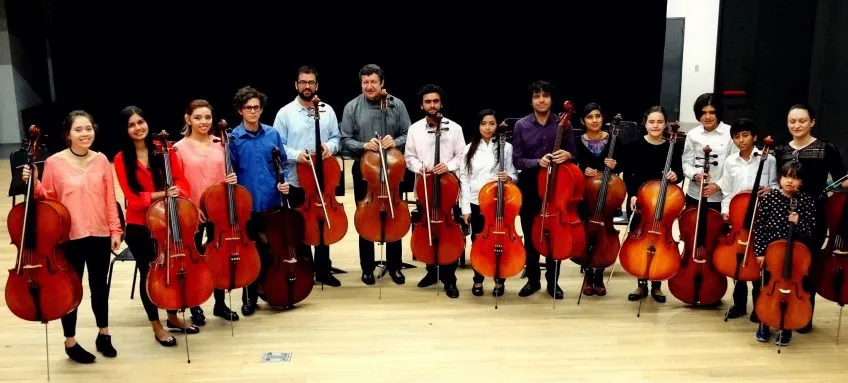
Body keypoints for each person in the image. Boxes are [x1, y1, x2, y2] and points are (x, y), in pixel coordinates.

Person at [21, 111, 121, 363]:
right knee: (70, 290)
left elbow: (111, 199)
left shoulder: (101, 160)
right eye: (78, 130)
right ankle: (70, 341)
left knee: (100, 287)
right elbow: (48, 197)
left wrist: (115, 230)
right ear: (68, 135)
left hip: (99, 232)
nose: (85, 133)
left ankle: (104, 334)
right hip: (68, 236)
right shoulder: (54, 162)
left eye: (88, 128)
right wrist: (33, 181)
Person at [113, 105, 198, 347]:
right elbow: (133, 196)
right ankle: (156, 325)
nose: (138, 128)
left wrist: (177, 191)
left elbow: (182, 181)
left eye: (140, 122)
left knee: (172, 267)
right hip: (140, 226)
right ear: (125, 130)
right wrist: (162, 193)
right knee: (149, 274)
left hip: (170, 219)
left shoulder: (166, 149)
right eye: (131, 125)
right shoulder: (121, 158)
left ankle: (172, 316)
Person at [771, 103, 848, 333]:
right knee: (783, 260)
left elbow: (841, 179)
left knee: (808, 262)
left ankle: (804, 313)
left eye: (802, 121)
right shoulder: (781, 149)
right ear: (787, 124)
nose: (797, 125)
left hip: (815, 212)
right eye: (792, 121)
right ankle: (778, 309)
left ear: (812, 122)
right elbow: (777, 180)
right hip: (784, 210)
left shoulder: (826, 148)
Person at [340, 63, 411, 286]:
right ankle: (367, 267)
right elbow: (344, 140)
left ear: (382, 84)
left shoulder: (396, 105)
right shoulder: (352, 107)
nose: (369, 86)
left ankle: (394, 266)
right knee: (366, 215)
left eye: (373, 82)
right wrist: (363, 145)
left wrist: (396, 141)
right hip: (365, 171)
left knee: (393, 213)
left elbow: (409, 134)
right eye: (365, 82)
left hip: (392, 169)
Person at [273, 65, 342, 287]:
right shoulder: (285, 113)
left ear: (316, 86)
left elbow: (336, 137)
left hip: (322, 179)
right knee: (302, 226)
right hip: (297, 178)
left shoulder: (327, 110)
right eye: (303, 82)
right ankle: (305, 269)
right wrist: (297, 155)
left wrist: (328, 147)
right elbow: (278, 145)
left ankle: (324, 270)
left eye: (311, 82)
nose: (307, 86)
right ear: (296, 85)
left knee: (322, 222)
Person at [173, 99, 240, 321]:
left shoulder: (220, 143)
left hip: (219, 210)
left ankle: (220, 304)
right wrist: (191, 206)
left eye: (207, 117)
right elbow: (178, 183)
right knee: (196, 260)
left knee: (218, 258)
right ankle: (195, 306)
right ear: (188, 119)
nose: (204, 122)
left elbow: (223, 175)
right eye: (198, 117)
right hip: (193, 212)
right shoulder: (178, 148)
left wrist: (231, 178)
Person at [229, 86, 291, 316]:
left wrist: (283, 182)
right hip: (247, 206)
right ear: (240, 110)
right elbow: (231, 171)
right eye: (248, 108)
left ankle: (272, 291)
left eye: (256, 107)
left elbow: (282, 163)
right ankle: (250, 297)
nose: (253, 111)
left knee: (272, 250)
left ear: (262, 109)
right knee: (250, 253)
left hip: (272, 202)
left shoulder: (272, 134)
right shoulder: (233, 139)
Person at [404, 83, 466, 298]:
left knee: (447, 232)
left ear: (441, 104)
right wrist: (419, 167)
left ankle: (450, 278)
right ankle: (431, 271)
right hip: (424, 187)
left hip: (448, 189)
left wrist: (446, 166)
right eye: (428, 102)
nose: (432, 105)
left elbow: (461, 157)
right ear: (422, 106)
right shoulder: (414, 129)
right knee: (427, 229)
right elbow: (408, 158)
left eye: (435, 101)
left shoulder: (455, 128)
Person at [511, 80, 572, 299]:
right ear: (531, 101)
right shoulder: (521, 125)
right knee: (531, 234)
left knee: (555, 235)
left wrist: (567, 155)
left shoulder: (563, 123)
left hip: (557, 188)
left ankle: (553, 282)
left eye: (545, 95)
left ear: (551, 99)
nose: (541, 100)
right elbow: (517, 160)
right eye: (537, 96)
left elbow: (573, 153)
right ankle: (533, 280)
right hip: (529, 186)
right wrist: (538, 162)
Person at [715, 118, 777, 319]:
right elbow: (727, 191)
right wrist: (726, 212)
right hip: (738, 216)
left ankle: (759, 306)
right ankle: (739, 304)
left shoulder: (769, 159)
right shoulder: (730, 161)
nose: (741, 140)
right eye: (736, 136)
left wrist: (771, 190)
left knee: (758, 262)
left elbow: (776, 184)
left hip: (762, 216)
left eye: (745, 135)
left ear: (754, 137)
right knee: (738, 258)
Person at [622, 105, 683, 303]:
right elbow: (629, 174)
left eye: (659, 122)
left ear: (665, 124)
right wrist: (632, 195)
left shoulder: (672, 146)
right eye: (651, 122)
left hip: (663, 203)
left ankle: (657, 284)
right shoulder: (634, 146)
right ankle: (641, 284)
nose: (655, 125)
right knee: (639, 242)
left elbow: (679, 173)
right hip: (641, 202)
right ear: (645, 123)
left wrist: (675, 175)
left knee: (659, 243)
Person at [752, 161, 816, 346]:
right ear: (779, 178)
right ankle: (764, 323)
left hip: (794, 255)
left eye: (795, 178)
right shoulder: (770, 198)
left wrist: (799, 222)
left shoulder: (806, 201)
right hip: (771, 252)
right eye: (786, 176)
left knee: (789, 291)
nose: (790, 181)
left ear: (802, 182)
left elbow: (810, 230)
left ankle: (786, 326)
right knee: (766, 288)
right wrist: (760, 252)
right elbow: (760, 227)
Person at [459, 109, 518, 297]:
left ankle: (500, 280)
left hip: (500, 203)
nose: (488, 127)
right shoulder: (469, 149)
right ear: (478, 126)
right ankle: (478, 279)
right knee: (478, 242)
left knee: (500, 242)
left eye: (492, 123)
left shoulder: (506, 147)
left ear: (496, 125)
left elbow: (514, 174)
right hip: (477, 202)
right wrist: (465, 208)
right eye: (484, 123)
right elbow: (464, 179)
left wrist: (509, 177)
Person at [573, 102, 622, 297]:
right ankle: (587, 273)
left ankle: (599, 274)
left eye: (598, 116)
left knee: (603, 232)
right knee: (585, 233)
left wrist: (616, 164)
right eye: (590, 117)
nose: (594, 120)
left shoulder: (614, 140)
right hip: (585, 195)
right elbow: (572, 163)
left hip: (608, 194)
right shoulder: (576, 141)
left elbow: (624, 162)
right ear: (583, 121)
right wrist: (581, 169)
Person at [681, 93, 737, 211]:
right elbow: (686, 163)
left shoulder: (731, 133)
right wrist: (695, 176)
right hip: (695, 194)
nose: (707, 117)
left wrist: (718, 186)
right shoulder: (692, 134)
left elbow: (735, 166)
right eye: (703, 113)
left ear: (718, 113)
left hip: (720, 197)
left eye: (712, 112)